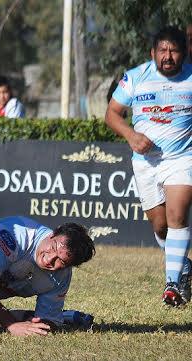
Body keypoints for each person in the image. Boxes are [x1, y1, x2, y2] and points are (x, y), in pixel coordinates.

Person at [105, 26, 192, 307]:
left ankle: (172, 284)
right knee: (161, 225)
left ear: (184, 52)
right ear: (152, 53)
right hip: (145, 163)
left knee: (178, 215)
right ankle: (185, 268)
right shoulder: (135, 76)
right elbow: (112, 114)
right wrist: (131, 135)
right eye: (163, 51)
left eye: (174, 51)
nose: (168, 56)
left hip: (182, 159)